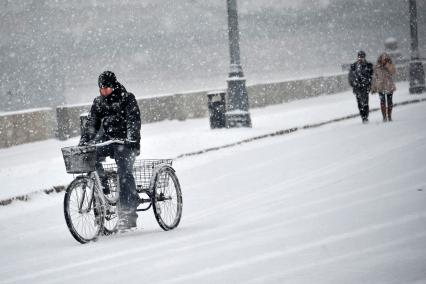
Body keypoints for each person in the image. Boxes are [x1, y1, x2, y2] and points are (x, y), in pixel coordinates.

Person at [79, 71, 141, 231]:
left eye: (107, 88)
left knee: (124, 173)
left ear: (113, 86)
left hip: (126, 143)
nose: (104, 91)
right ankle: (104, 188)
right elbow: (92, 123)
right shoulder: (99, 102)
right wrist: (85, 140)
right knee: (91, 158)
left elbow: (133, 120)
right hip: (108, 140)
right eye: (101, 89)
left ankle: (128, 215)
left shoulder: (127, 98)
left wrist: (131, 138)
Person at [348, 51, 374, 123]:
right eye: (359, 57)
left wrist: (368, 82)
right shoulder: (353, 66)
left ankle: (366, 115)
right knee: (359, 103)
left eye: (362, 57)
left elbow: (371, 76)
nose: (360, 58)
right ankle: (363, 117)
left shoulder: (368, 65)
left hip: (365, 87)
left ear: (364, 57)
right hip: (357, 87)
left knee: (365, 102)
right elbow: (350, 76)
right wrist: (353, 83)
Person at [371, 52, 396, 122]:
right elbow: (374, 78)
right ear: (380, 59)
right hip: (380, 86)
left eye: (386, 59)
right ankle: (384, 117)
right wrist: (373, 88)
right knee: (382, 102)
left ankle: (389, 116)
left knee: (390, 102)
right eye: (383, 59)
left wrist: (387, 65)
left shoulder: (390, 65)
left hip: (389, 86)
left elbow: (393, 72)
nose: (384, 60)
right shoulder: (377, 67)